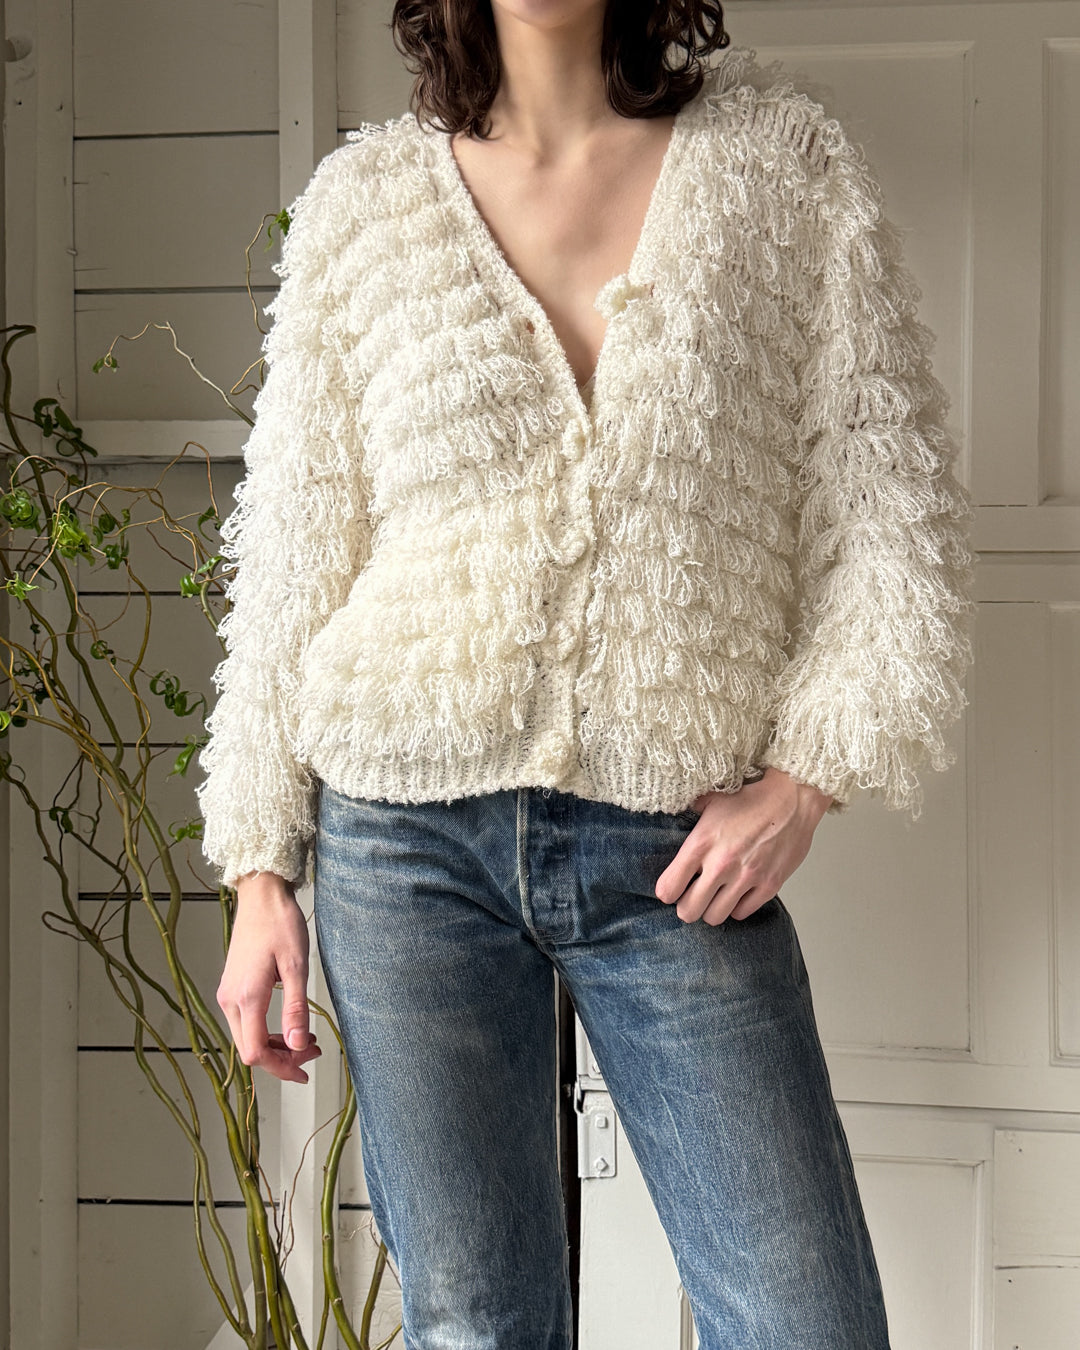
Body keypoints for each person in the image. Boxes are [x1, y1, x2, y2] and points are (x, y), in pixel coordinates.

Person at [198, 1, 977, 1346]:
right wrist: (259, 869)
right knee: (476, 1326)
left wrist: (808, 777)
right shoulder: (363, 207)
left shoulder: (782, 169)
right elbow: (293, 549)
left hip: (673, 844)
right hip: (403, 846)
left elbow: (891, 513)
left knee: (804, 1322)